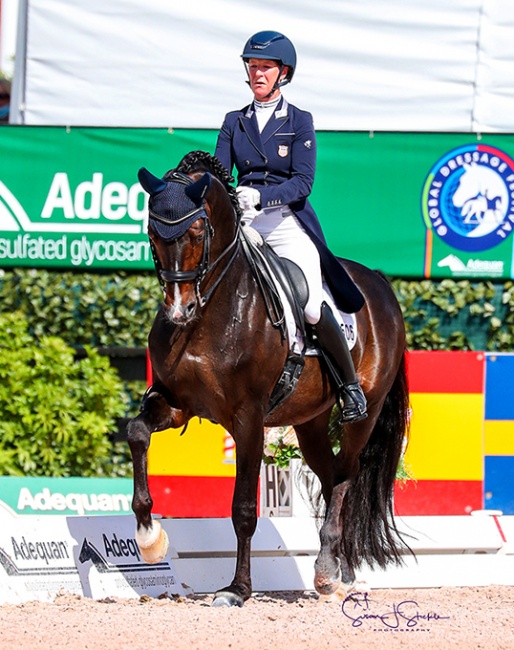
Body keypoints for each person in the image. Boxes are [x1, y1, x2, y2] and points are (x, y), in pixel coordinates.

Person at [214, 30, 367, 423]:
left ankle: (349, 388)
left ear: (283, 73)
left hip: (285, 222)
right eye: (252, 66)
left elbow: (303, 183)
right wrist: (230, 197)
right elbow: (219, 174)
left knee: (312, 304)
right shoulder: (234, 122)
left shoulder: (300, 121)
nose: (257, 73)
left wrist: (262, 197)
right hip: (245, 224)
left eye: (265, 67)